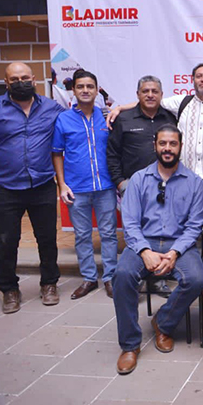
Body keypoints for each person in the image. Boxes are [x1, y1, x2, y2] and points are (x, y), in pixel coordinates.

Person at [112, 124, 203, 375]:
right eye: (163, 143)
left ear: (180, 147)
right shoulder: (138, 180)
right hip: (143, 242)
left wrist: (174, 253)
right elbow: (130, 223)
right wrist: (145, 251)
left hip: (179, 244)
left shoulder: (194, 182)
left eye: (172, 144)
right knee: (122, 275)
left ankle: (163, 323)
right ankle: (130, 345)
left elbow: (195, 225)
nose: (167, 148)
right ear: (154, 145)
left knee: (196, 278)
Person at [0, 62, 63, 314]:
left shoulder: (51, 108)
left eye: (24, 77)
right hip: (5, 187)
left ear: (34, 79)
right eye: (14, 79)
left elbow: (74, 125)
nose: (20, 82)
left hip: (42, 184)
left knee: (47, 239)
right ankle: (9, 289)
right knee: (6, 241)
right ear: (6, 83)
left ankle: (49, 283)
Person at [108, 63, 203, 193]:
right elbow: (151, 101)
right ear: (193, 80)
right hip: (183, 179)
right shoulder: (181, 103)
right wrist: (121, 108)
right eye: (199, 76)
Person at [107, 75, 177, 295]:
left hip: (165, 186)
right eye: (145, 91)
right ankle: (135, 278)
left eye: (154, 91)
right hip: (133, 187)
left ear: (161, 95)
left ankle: (158, 278)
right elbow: (112, 154)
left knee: (161, 232)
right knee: (135, 232)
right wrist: (120, 182)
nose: (150, 95)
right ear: (138, 94)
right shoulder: (124, 119)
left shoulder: (170, 118)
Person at [52, 70, 118, 300]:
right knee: (82, 235)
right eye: (80, 86)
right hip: (76, 188)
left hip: (105, 187)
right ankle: (89, 278)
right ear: (73, 90)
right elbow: (57, 153)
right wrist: (62, 184)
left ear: (97, 90)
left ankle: (110, 277)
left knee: (108, 234)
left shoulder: (108, 117)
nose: (85, 90)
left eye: (90, 86)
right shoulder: (63, 119)